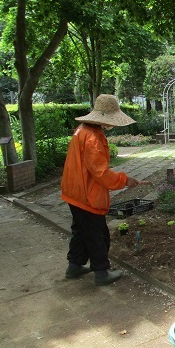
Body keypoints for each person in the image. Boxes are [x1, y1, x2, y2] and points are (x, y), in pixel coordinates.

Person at [61, 94, 148, 286]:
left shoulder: (82, 130)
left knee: (81, 231)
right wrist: (125, 180)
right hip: (85, 194)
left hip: (73, 190)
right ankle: (101, 272)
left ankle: (74, 266)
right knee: (96, 233)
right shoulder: (93, 138)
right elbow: (100, 173)